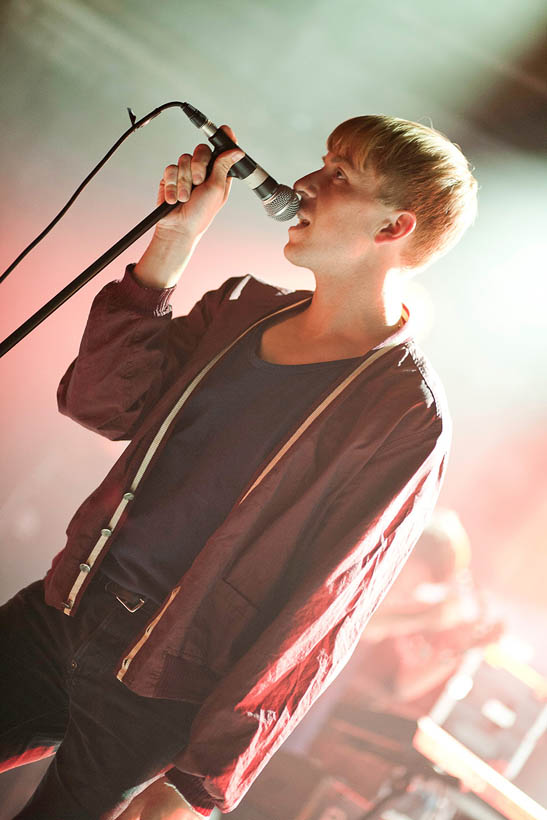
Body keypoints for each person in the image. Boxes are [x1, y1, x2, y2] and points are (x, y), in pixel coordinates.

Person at [0, 115, 477, 819]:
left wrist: (203, 783)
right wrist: (174, 239)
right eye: (320, 163)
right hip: (65, 609)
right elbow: (102, 403)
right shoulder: (241, 311)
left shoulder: (400, 417)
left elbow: (322, 611)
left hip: (160, 685)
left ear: (391, 228)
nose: (307, 184)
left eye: (339, 176)